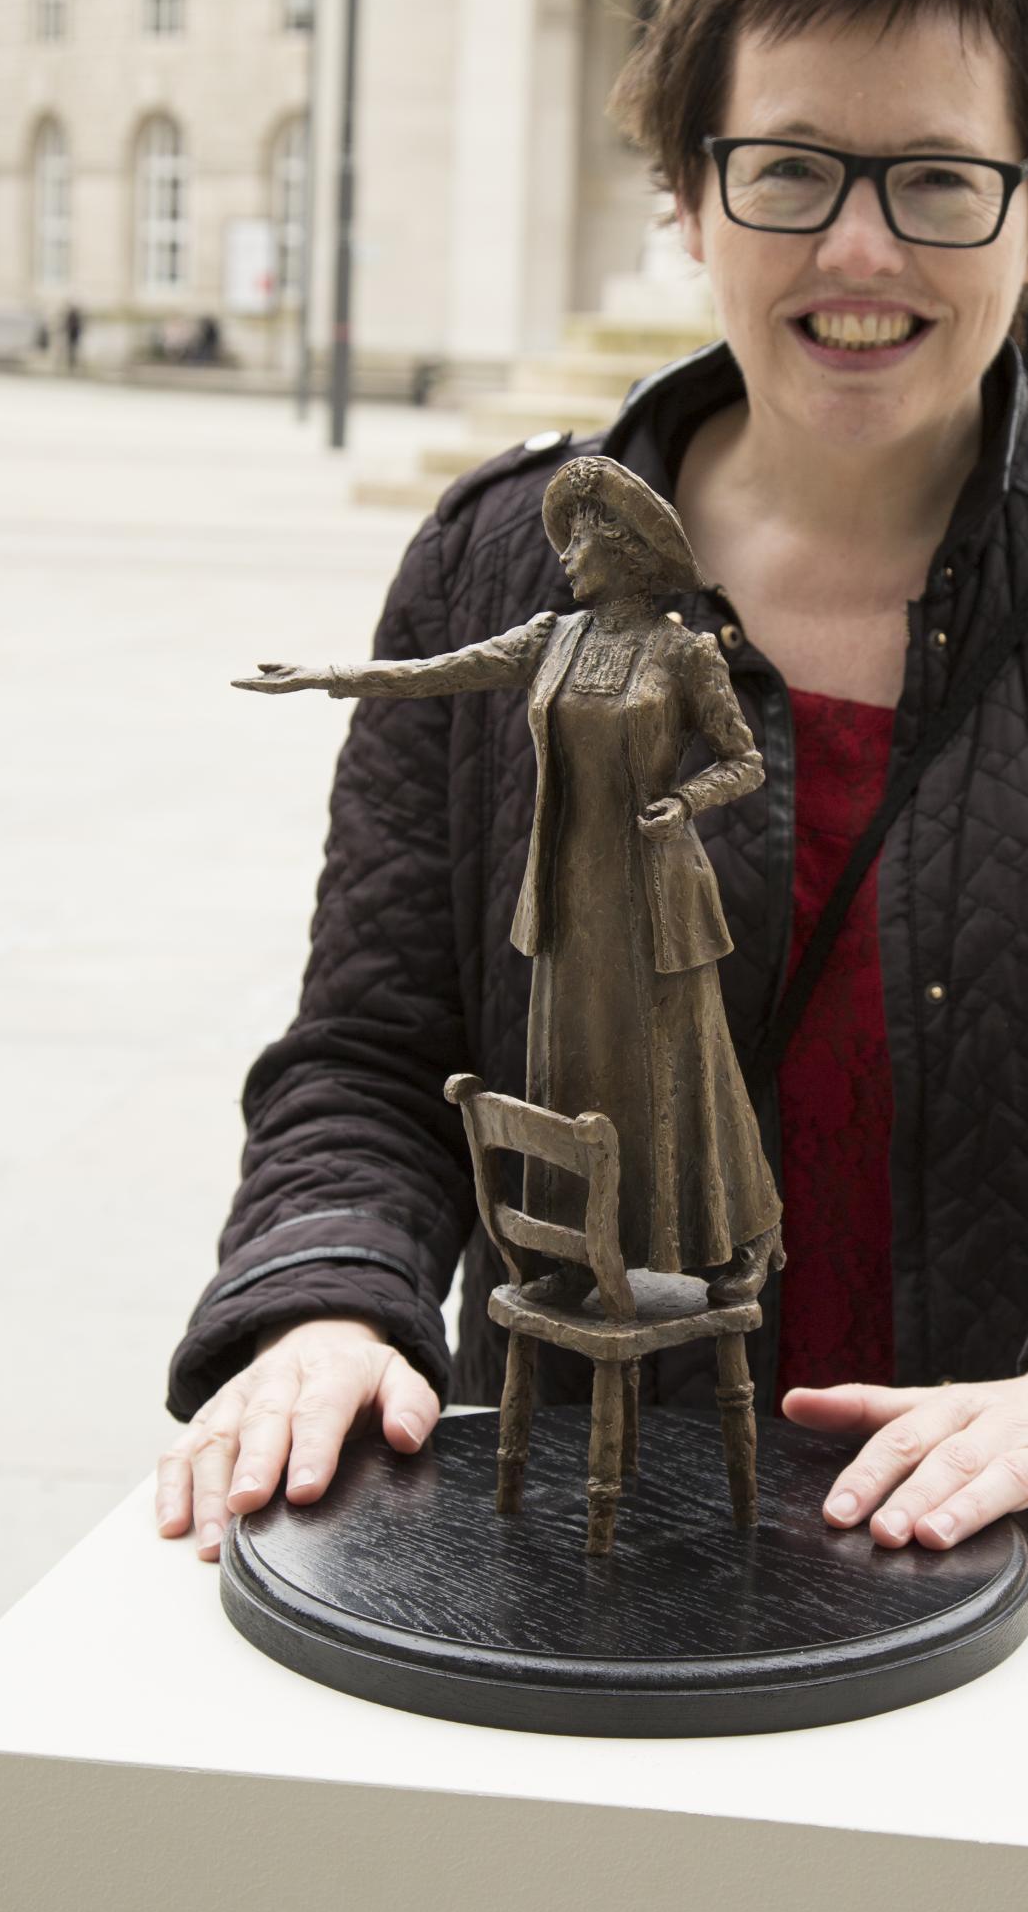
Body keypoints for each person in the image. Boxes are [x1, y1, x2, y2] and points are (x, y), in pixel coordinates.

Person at [159, 0, 1028, 1912]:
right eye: (788, 168)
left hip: (1010, 1611)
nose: (857, 247)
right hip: (580, 1592)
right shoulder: (494, 564)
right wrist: (320, 1301)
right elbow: (369, 1057)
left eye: (936, 179)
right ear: (686, 195)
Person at [231, 455, 783, 1303]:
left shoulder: (685, 654)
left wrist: (685, 798)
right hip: (570, 892)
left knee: (683, 1068)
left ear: (627, 553)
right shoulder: (550, 639)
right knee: (573, 1077)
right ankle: (578, 1247)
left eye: (582, 542)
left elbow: (744, 761)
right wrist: (332, 677)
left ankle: (739, 1235)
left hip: (655, 900)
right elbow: (440, 671)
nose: (564, 556)